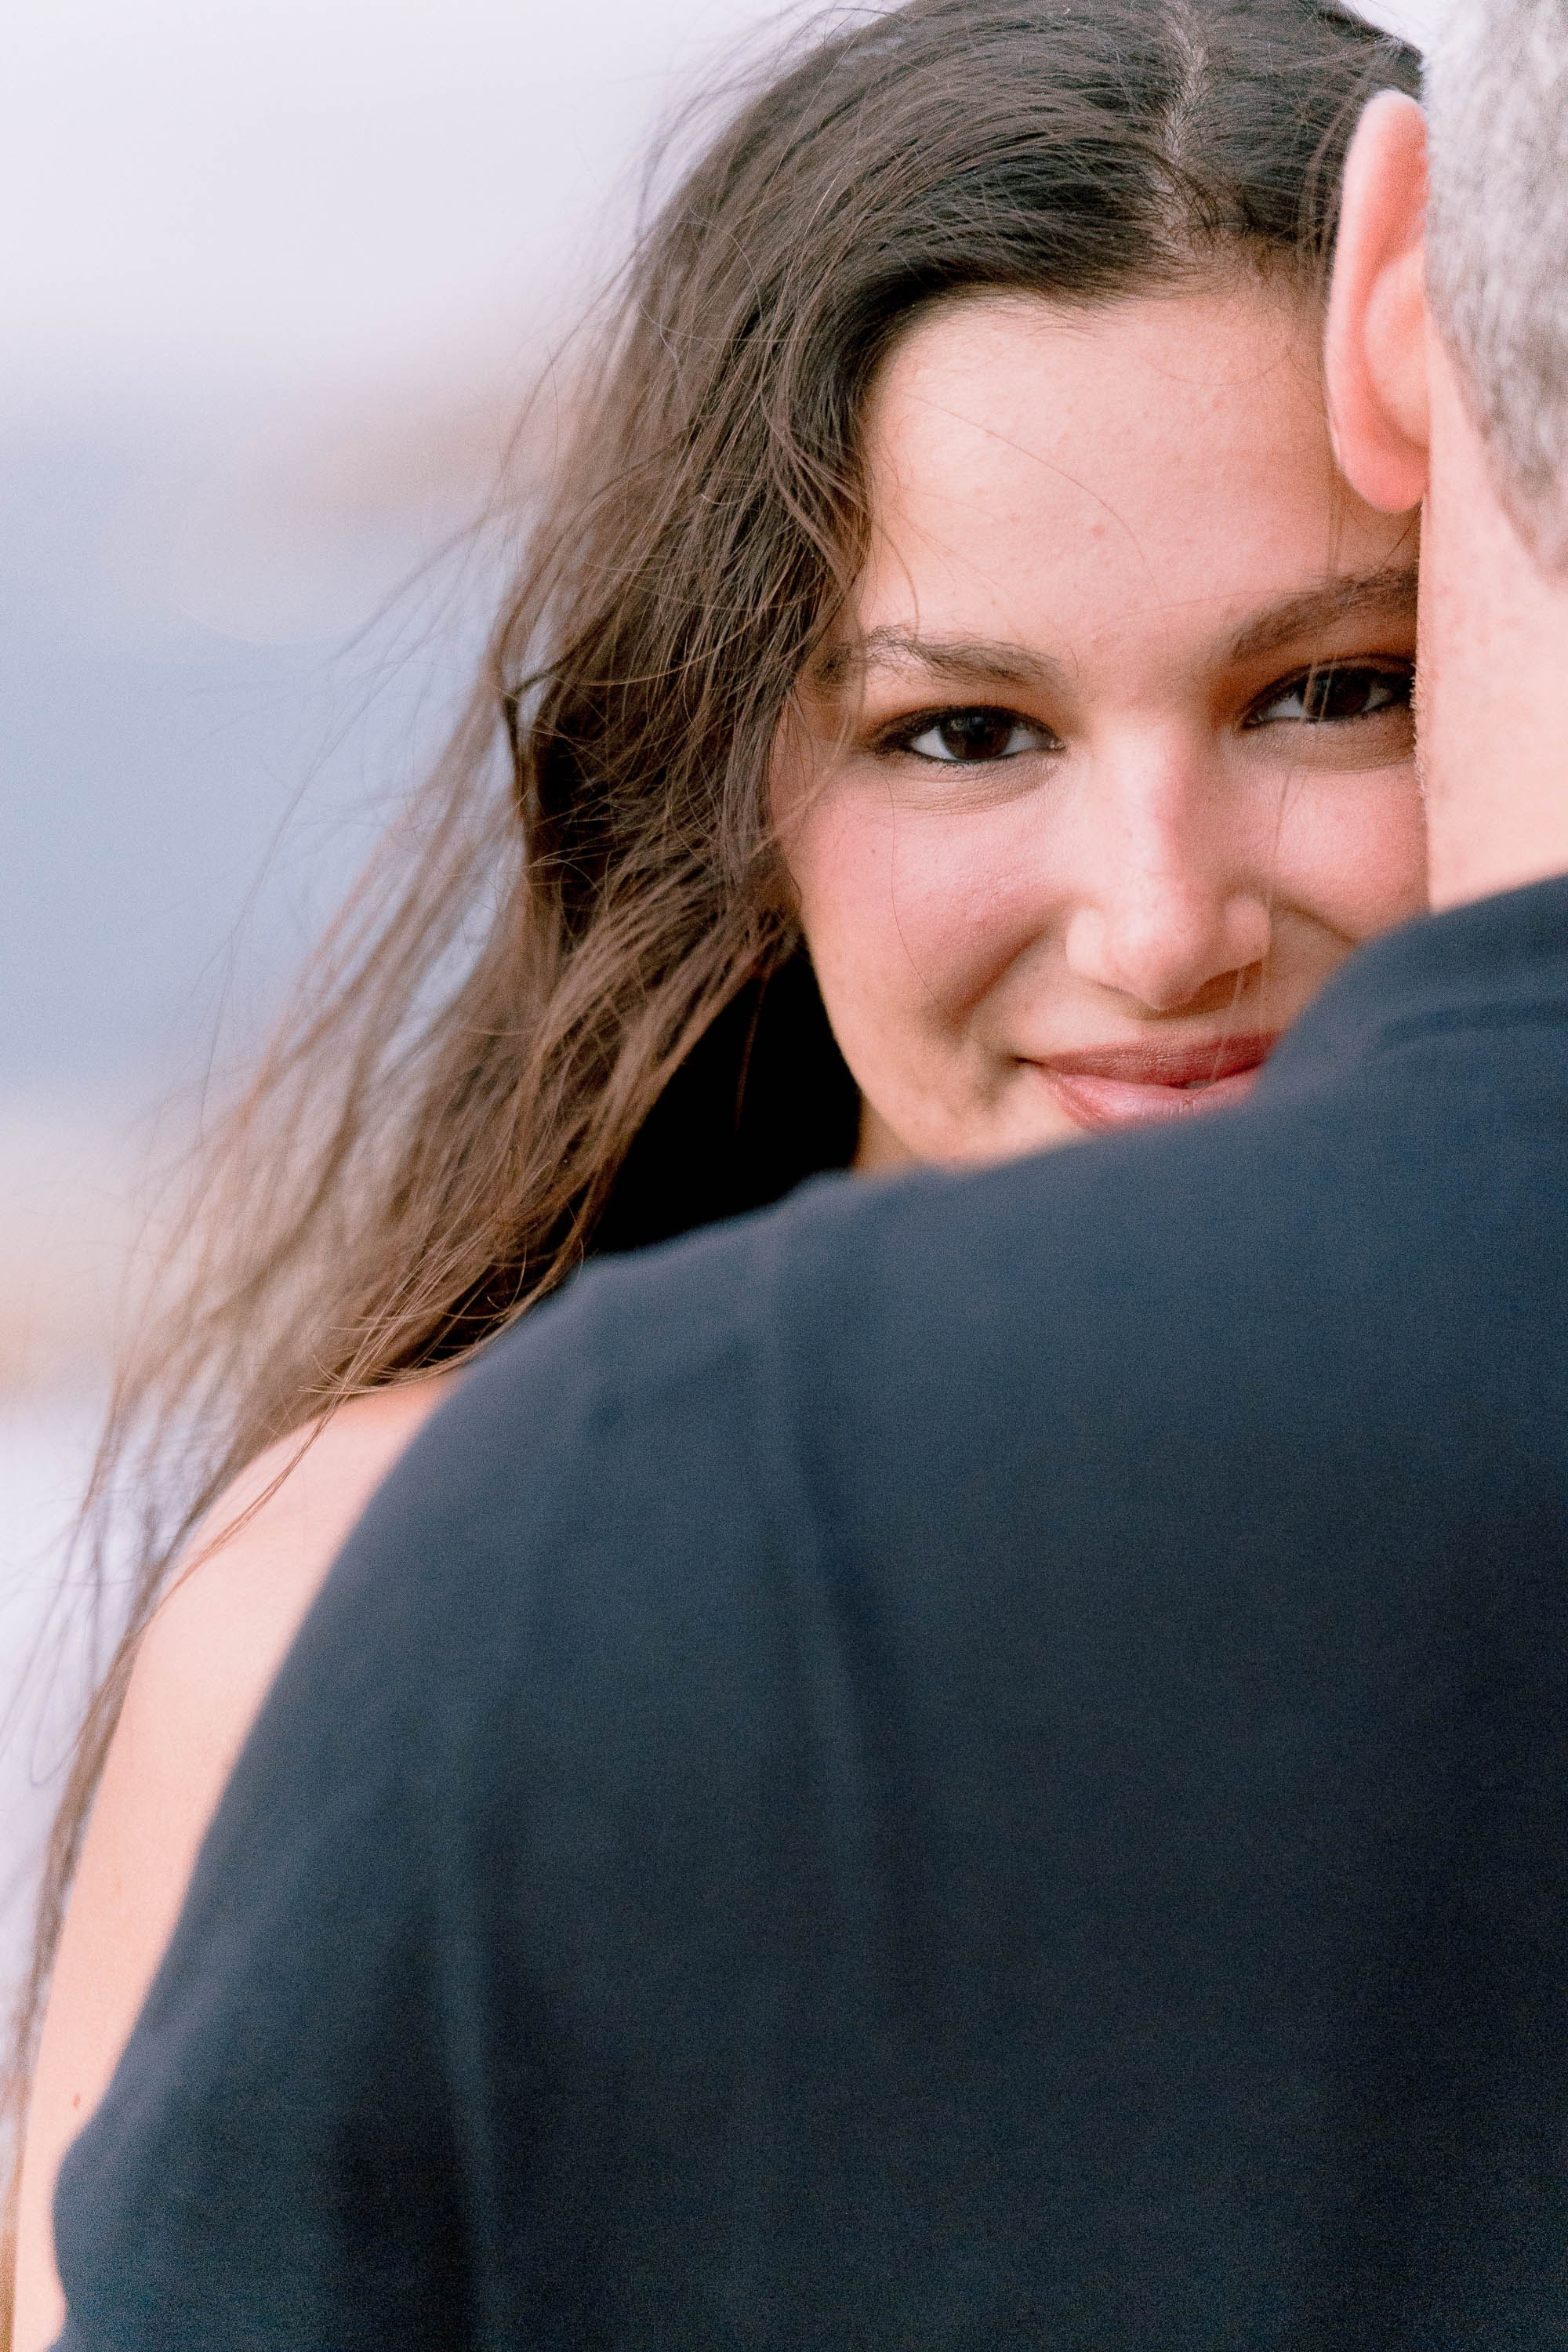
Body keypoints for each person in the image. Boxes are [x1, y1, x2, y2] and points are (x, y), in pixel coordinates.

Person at [28, 0, 1568, 2325]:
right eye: (964, 733)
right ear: (736, 803)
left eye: (1330, 689)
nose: (1160, 922)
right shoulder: (389, 1573)